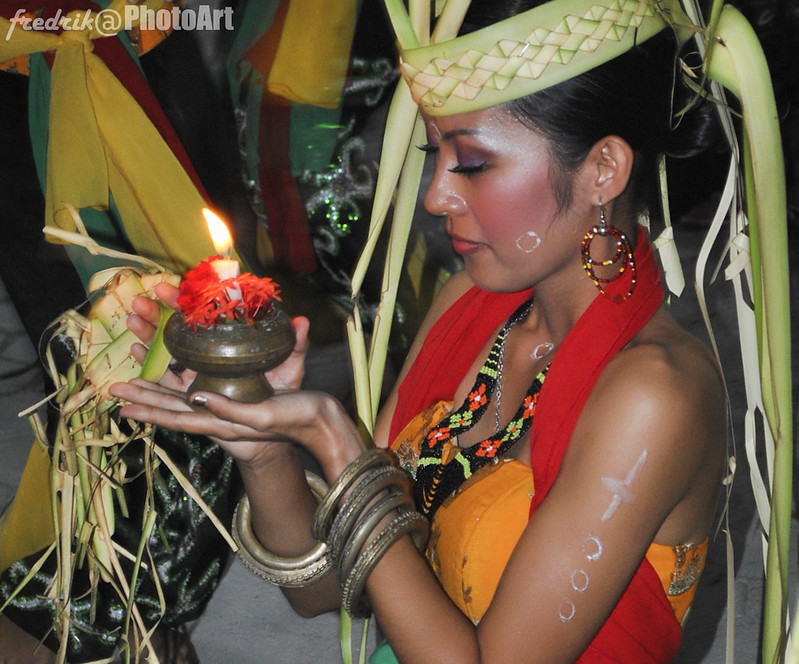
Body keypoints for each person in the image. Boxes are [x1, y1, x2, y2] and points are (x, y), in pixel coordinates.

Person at [110, 0, 738, 661]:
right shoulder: (472, 302)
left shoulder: (654, 397)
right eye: (433, 155)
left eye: (471, 164)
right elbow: (325, 584)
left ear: (602, 170)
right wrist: (260, 437)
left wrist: (337, 442)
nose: (436, 196)